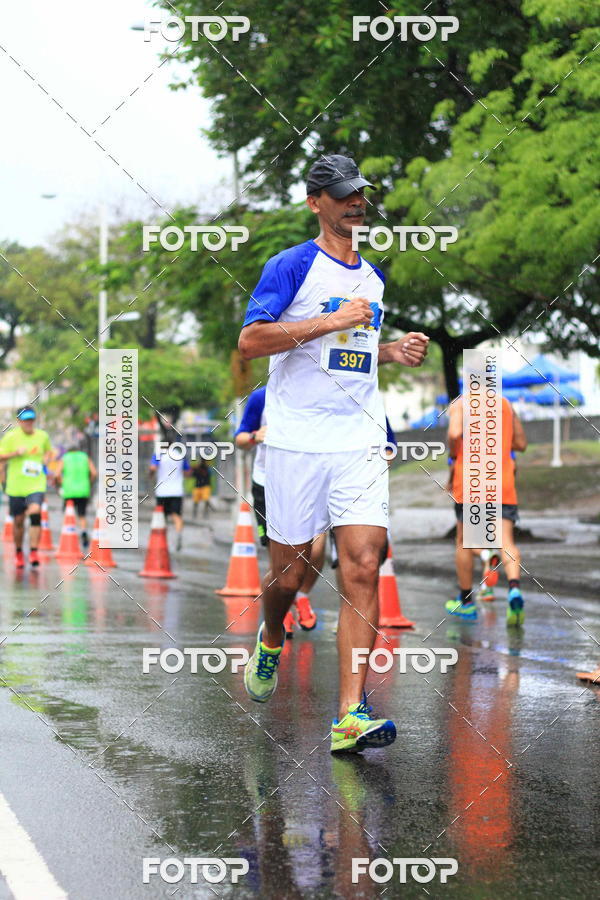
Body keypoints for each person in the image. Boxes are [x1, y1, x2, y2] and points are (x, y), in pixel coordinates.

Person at [238, 154, 429, 752]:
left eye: (360, 195)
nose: (356, 204)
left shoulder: (373, 278)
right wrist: (327, 321)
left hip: (358, 439)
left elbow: (352, 352)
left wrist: (391, 350)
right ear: (315, 202)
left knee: (364, 564)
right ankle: (271, 638)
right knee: (291, 574)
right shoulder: (291, 265)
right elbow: (250, 343)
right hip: (295, 442)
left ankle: (351, 714)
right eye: (342, 195)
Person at [235, 385, 324, 637]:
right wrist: (255, 436)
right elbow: (240, 439)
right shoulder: (261, 396)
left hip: (310, 480)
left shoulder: (318, 392)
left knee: (318, 546)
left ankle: (302, 596)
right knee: (280, 557)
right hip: (268, 483)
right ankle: (281, 609)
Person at [446, 394, 527, 625]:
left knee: (464, 541)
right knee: (507, 542)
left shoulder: (460, 404)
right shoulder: (505, 404)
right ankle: (514, 589)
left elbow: (453, 434)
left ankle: (466, 602)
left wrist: (455, 453)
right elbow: (520, 444)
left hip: (472, 482)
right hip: (502, 481)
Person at [0, 406, 53, 568]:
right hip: (16, 486)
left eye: (31, 419)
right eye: (25, 419)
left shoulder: (42, 436)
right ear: (19, 421)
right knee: (18, 521)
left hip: (36, 484)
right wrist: (15, 453)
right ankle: (18, 552)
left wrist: (46, 460)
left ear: (34, 420)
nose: (28, 422)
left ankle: (34, 551)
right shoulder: (10, 437)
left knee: (36, 512)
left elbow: (49, 452)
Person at [149, 437, 190, 551]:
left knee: (162, 517)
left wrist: (151, 474)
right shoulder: (180, 455)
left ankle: (163, 539)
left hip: (162, 491)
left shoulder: (159, 455)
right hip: (177, 491)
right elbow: (187, 472)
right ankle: (178, 536)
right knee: (176, 515)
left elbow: (152, 468)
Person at [55, 446, 97, 548]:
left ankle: (68, 535)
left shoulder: (65, 458)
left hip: (69, 491)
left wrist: (61, 483)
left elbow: (57, 474)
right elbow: (94, 473)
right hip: (83, 490)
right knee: (82, 515)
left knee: (68, 514)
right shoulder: (85, 457)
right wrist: (89, 483)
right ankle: (83, 532)